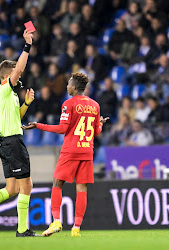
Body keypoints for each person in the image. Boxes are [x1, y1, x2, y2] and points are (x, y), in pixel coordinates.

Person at [21, 73, 109, 237]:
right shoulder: (95, 105)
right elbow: (96, 131)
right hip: (87, 151)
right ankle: (76, 228)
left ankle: (56, 221)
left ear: (74, 87)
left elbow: (62, 129)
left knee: (57, 183)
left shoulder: (68, 104)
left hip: (71, 150)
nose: (67, 86)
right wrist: (101, 124)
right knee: (81, 188)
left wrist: (38, 125)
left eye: (68, 84)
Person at [0, 29, 39, 237]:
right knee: (26, 185)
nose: (18, 75)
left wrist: (27, 104)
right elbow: (19, 69)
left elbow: (17, 118)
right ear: (7, 75)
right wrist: (27, 45)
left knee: (11, 188)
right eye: (14, 73)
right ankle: (22, 229)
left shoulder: (7, 95)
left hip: (5, 141)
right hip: (12, 142)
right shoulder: (4, 89)